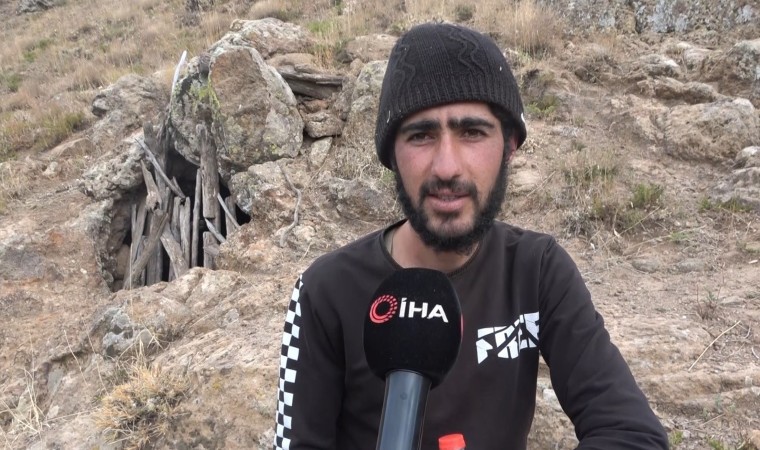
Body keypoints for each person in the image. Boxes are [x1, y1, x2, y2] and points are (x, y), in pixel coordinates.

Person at [273, 22, 668, 450]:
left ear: (509, 146)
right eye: (421, 135)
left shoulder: (537, 270)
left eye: (472, 132)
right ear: (392, 156)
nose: (447, 167)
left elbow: (633, 435)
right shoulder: (325, 292)